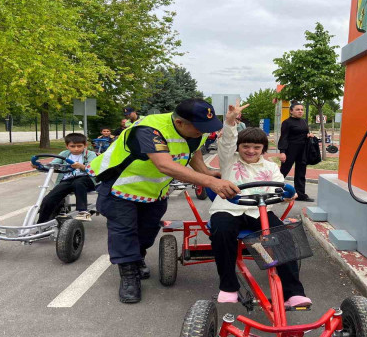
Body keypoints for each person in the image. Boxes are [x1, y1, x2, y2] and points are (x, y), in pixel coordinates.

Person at [87, 98, 240, 304]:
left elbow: (193, 152)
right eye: (199, 128)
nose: (203, 132)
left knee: (147, 230)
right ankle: (129, 274)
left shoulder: (195, 132)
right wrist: (209, 181)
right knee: (124, 230)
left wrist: (209, 172)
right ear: (180, 123)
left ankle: (137, 257)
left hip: (155, 190)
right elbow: (164, 165)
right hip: (119, 186)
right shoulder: (150, 129)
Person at [209, 101, 312, 308]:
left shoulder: (271, 167)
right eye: (245, 146)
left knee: (283, 237)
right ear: (239, 147)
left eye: (256, 147)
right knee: (221, 231)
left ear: (263, 149)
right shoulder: (230, 160)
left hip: (260, 212)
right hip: (229, 209)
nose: (250, 151)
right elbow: (227, 141)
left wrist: (285, 195)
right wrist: (230, 122)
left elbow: (280, 187)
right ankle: (228, 287)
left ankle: (294, 293)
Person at [36, 133, 97, 223]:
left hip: (87, 179)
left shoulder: (90, 154)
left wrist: (80, 166)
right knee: (50, 197)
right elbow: (52, 165)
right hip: (68, 179)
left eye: (79, 146)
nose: (76, 149)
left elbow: (93, 168)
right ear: (67, 146)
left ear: (85, 145)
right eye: (72, 146)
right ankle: (42, 223)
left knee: (79, 182)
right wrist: (38, 166)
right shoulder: (64, 154)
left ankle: (83, 211)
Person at [278, 103, 315, 202]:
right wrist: (282, 152)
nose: (300, 111)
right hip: (290, 150)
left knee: (301, 173)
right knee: (283, 171)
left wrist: (308, 135)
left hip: (302, 150)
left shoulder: (303, 121)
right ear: (291, 111)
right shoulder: (287, 122)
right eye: (298, 109)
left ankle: (300, 194)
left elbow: (302, 134)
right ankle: (272, 190)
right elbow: (284, 138)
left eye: (302, 110)